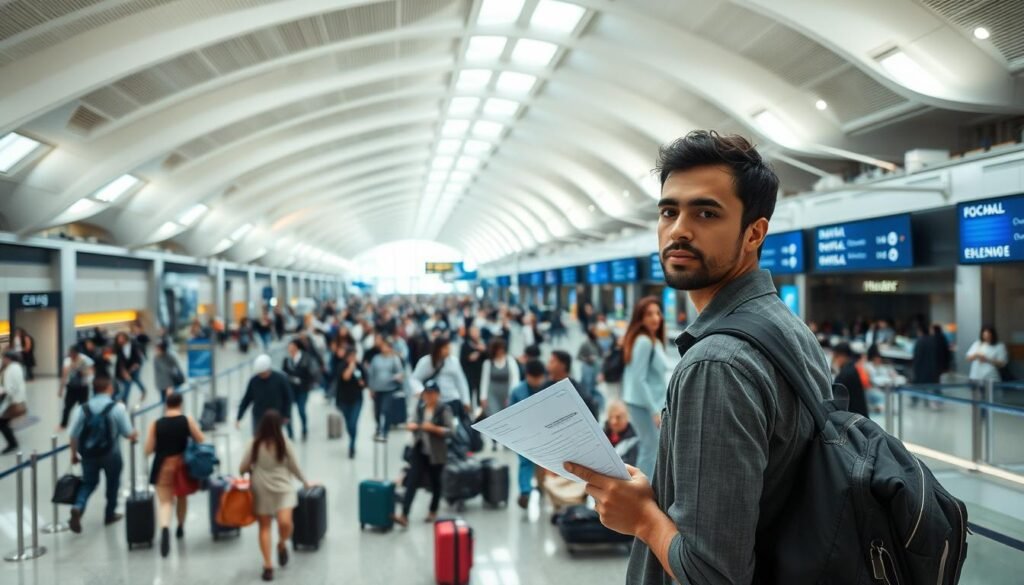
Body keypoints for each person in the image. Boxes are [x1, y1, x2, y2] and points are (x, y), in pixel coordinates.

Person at [564, 131, 833, 584]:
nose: (678, 230)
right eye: (669, 211)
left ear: (754, 232)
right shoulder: (785, 327)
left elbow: (713, 575)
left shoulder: (717, 364)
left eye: (706, 212)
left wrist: (643, 517)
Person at [240, 410, 315, 582]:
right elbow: (242, 467)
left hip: (282, 488)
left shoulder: (281, 443)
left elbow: (294, 466)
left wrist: (304, 481)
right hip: (263, 489)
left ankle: (281, 544)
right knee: (270, 526)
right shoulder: (257, 444)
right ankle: (268, 565)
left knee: (284, 523)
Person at [67, 375, 138, 532]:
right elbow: (128, 433)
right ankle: (109, 514)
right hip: (111, 454)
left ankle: (78, 506)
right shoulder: (117, 408)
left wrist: (74, 454)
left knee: (88, 483)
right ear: (109, 388)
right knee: (113, 483)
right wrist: (135, 434)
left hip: (88, 454)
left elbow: (73, 434)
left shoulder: (82, 409)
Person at [144, 392, 205, 557]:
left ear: (166, 405)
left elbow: (147, 449)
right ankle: (180, 527)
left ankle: (164, 528)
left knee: (165, 502)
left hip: (161, 466)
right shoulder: (186, 420)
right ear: (180, 404)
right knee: (182, 497)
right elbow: (201, 438)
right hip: (181, 466)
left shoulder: (156, 424)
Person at [393, 382, 455, 527]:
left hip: (436, 453)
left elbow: (450, 431)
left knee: (436, 483)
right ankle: (404, 514)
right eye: (426, 393)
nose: (428, 396)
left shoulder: (443, 409)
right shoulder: (421, 408)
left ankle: (433, 510)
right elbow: (414, 422)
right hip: (420, 450)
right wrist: (413, 426)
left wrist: (434, 428)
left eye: (432, 393)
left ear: (438, 394)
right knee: (412, 481)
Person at [621, 296, 669, 476]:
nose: (655, 318)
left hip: (646, 402)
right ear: (640, 318)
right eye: (649, 314)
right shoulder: (644, 342)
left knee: (651, 446)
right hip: (643, 404)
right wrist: (654, 410)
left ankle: (645, 485)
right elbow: (638, 379)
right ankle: (642, 487)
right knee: (650, 447)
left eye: (657, 313)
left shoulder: (652, 340)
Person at [508, 359, 548, 509]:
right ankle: (525, 492)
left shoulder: (547, 388)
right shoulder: (517, 391)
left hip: (543, 433)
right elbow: (509, 413)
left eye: (540, 377)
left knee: (542, 464)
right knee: (525, 462)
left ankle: (543, 488)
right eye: (534, 378)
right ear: (527, 376)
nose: (537, 381)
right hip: (523, 433)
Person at [411, 337, 471, 415]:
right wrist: (420, 391)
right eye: (445, 348)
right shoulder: (425, 362)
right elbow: (415, 379)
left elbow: (461, 382)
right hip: (432, 402)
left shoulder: (454, 361)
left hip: (452, 399)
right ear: (438, 349)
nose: (448, 351)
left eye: (449, 348)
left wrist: (466, 400)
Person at [237, 355, 294, 436]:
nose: (262, 375)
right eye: (260, 374)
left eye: (264, 373)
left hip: (275, 416)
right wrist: (239, 417)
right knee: (258, 438)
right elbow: (247, 399)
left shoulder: (281, 379)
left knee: (274, 439)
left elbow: (288, 398)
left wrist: (286, 414)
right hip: (259, 416)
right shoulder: (254, 381)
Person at [367, 336, 404, 439]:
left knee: (386, 409)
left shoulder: (394, 359)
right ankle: (378, 427)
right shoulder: (376, 358)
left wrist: (397, 377)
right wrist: (371, 388)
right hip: (378, 388)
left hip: (389, 388)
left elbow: (400, 372)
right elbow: (371, 373)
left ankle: (385, 430)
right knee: (377, 411)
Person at [333, 344, 365, 458]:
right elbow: (345, 377)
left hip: (357, 399)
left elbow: (365, 381)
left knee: (353, 422)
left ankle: (352, 445)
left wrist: (362, 382)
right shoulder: (342, 366)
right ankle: (352, 437)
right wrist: (351, 368)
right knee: (348, 423)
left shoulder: (360, 366)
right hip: (344, 400)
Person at [282, 339, 316, 440]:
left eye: (292, 346)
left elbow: (310, 374)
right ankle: (290, 433)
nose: (290, 349)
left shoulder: (305, 358)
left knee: (301, 410)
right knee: (288, 411)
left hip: (302, 389)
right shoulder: (287, 360)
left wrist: (305, 382)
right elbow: (284, 373)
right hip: (289, 389)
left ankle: (304, 429)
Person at [479, 338, 520, 421]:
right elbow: (484, 381)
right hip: (492, 393)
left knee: (507, 417)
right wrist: (483, 397)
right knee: (494, 416)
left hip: (506, 393)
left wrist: (511, 395)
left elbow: (515, 379)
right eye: (498, 349)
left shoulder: (510, 360)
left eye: (502, 348)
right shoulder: (488, 363)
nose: (500, 351)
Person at [547, 350, 596, 418]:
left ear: (562, 365)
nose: (548, 365)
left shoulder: (578, 391)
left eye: (552, 362)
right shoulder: (545, 387)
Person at [59, 345, 95, 430]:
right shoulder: (67, 361)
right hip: (71, 387)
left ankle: (86, 424)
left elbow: (91, 372)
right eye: (70, 353)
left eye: (72, 353)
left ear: (76, 353)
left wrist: (82, 370)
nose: (70, 355)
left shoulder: (85, 359)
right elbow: (64, 375)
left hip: (82, 387)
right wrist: (61, 389)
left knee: (84, 407)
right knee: (67, 406)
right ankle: (63, 424)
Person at [0, 351, 28, 454]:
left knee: (2, 423)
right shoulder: (14, 367)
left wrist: (3, 391)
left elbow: (11, 387)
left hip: (14, 401)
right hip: (14, 400)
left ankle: (13, 444)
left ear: (8, 358)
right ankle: (13, 443)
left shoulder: (12, 369)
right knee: (4, 423)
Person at [831, 342, 868, 417]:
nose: (834, 360)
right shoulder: (852, 368)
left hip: (853, 420)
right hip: (861, 417)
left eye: (835, 356)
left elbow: (834, 400)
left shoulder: (844, 375)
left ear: (842, 356)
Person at [604, 399, 640, 467]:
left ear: (626, 417)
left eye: (618, 417)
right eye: (610, 417)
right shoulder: (601, 435)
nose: (613, 421)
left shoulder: (635, 441)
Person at [114, 332, 146, 403]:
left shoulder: (134, 345)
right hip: (126, 370)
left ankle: (142, 391)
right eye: (118, 339)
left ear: (125, 338)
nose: (119, 340)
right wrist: (125, 373)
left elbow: (138, 359)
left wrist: (131, 370)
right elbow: (120, 362)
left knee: (135, 379)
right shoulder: (119, 348)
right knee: (127, 384)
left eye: (121, 338)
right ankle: (125, 401)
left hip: (135, 367)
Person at [459, 326, 487, 408]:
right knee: (469, 394)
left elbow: (489, 357)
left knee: (480, 394)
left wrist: (483, 350)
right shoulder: (465, 345)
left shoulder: (483, 344)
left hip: (481, 374)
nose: (475, 334)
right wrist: (476, 353)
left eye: (477, 332)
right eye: (473, 332)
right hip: (469, 375)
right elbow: (463, 360)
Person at [576, 326, 603, 408]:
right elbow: (578, 356)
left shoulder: (597, 343)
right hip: (587, 367)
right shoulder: (585, 344)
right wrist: (588, 358)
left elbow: (601, 353)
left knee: (593, 385)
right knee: (587, 385)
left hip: (596, 367)